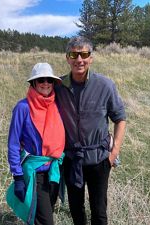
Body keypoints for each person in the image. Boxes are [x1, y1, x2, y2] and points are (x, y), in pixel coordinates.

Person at [54, 36, 126, 225]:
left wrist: (114, 152)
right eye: (74, 54)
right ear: (67, 58)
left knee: (99, 211)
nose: (79, 59)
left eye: (84, 54)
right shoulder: (58, 87)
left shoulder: (105, 85)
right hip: (72, 159)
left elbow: (120, 118)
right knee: (76, 209)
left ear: (91, 58)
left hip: (100, 159)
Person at [6, 62, 65, 225]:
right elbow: (13, 144)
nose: (45, 83)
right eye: (41, 80)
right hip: (35, 173)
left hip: (54, 170)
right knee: (46, 221)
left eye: (49, 80)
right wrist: (18, 177)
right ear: (33, 83)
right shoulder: (22, 108)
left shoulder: (57, 105)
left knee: (42, 215)